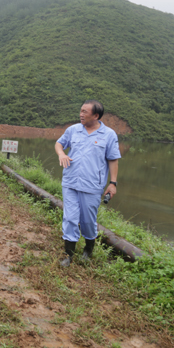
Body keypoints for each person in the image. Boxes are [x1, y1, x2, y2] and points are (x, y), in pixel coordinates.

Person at [55, 100, 121, 267]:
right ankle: (68, 255)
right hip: (70, 182)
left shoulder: (109, 135)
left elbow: (113, 159)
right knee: (70, 218)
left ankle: (88, 249)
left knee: (87, 221)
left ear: (96, 115)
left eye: (85, 112)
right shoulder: (73, 130)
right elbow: (59, 143)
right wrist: (61, 154)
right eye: (81, 110)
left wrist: (113, 183)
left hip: (92, 186)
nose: (81, 114)